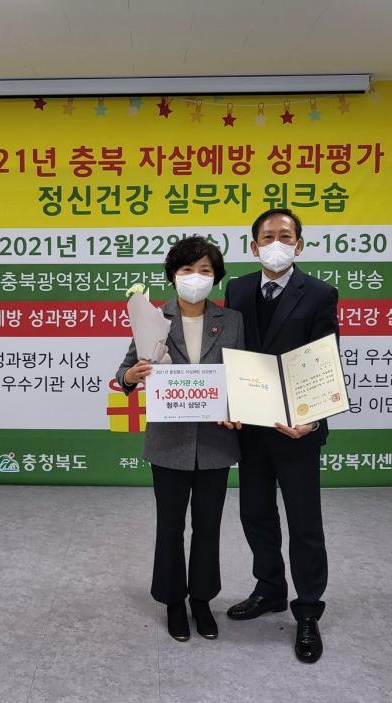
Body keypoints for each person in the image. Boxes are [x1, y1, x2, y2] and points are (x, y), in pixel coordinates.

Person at [224, 208, 339, 664]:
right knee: (255, 514)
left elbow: (325, 358)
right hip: (251, 427)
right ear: (253, 246)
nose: (276, 244)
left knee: (304, 523)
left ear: (299, 245)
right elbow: (231, 351)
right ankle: (269, 588)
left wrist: (313, 417)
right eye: (267, 236)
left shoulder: (320, 293)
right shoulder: (237, 289)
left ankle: (308, 610)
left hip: (297, 429)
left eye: (285, 236)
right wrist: (227, 403)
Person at [116, 236, 245, 642]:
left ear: (216, 277)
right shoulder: (153, 318)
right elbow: (124, 373)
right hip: (168, 443)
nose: (196, 277)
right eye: (188, 269)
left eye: (205, 270)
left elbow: (242, 377)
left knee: (208, 527)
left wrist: (238, 408)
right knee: (170, 527)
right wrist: (131, 376)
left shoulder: (233, 321)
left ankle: (202, 600)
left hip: (216, 444)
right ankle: (173, 600)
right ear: (173, 275)